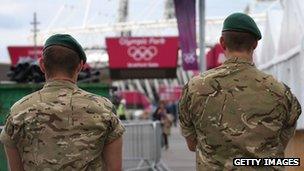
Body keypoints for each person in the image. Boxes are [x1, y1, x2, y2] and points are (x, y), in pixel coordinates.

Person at [179, 13, 302, 170]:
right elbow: (281, 143)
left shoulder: (194, 88)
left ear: (222, 43)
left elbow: (191, 144)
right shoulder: (281, 91)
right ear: (255, 44)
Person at [0, 34, 125, 171]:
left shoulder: (18, 111)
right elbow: (114, 168)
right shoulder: (104, 108)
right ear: (80, 66)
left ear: (42, 65)